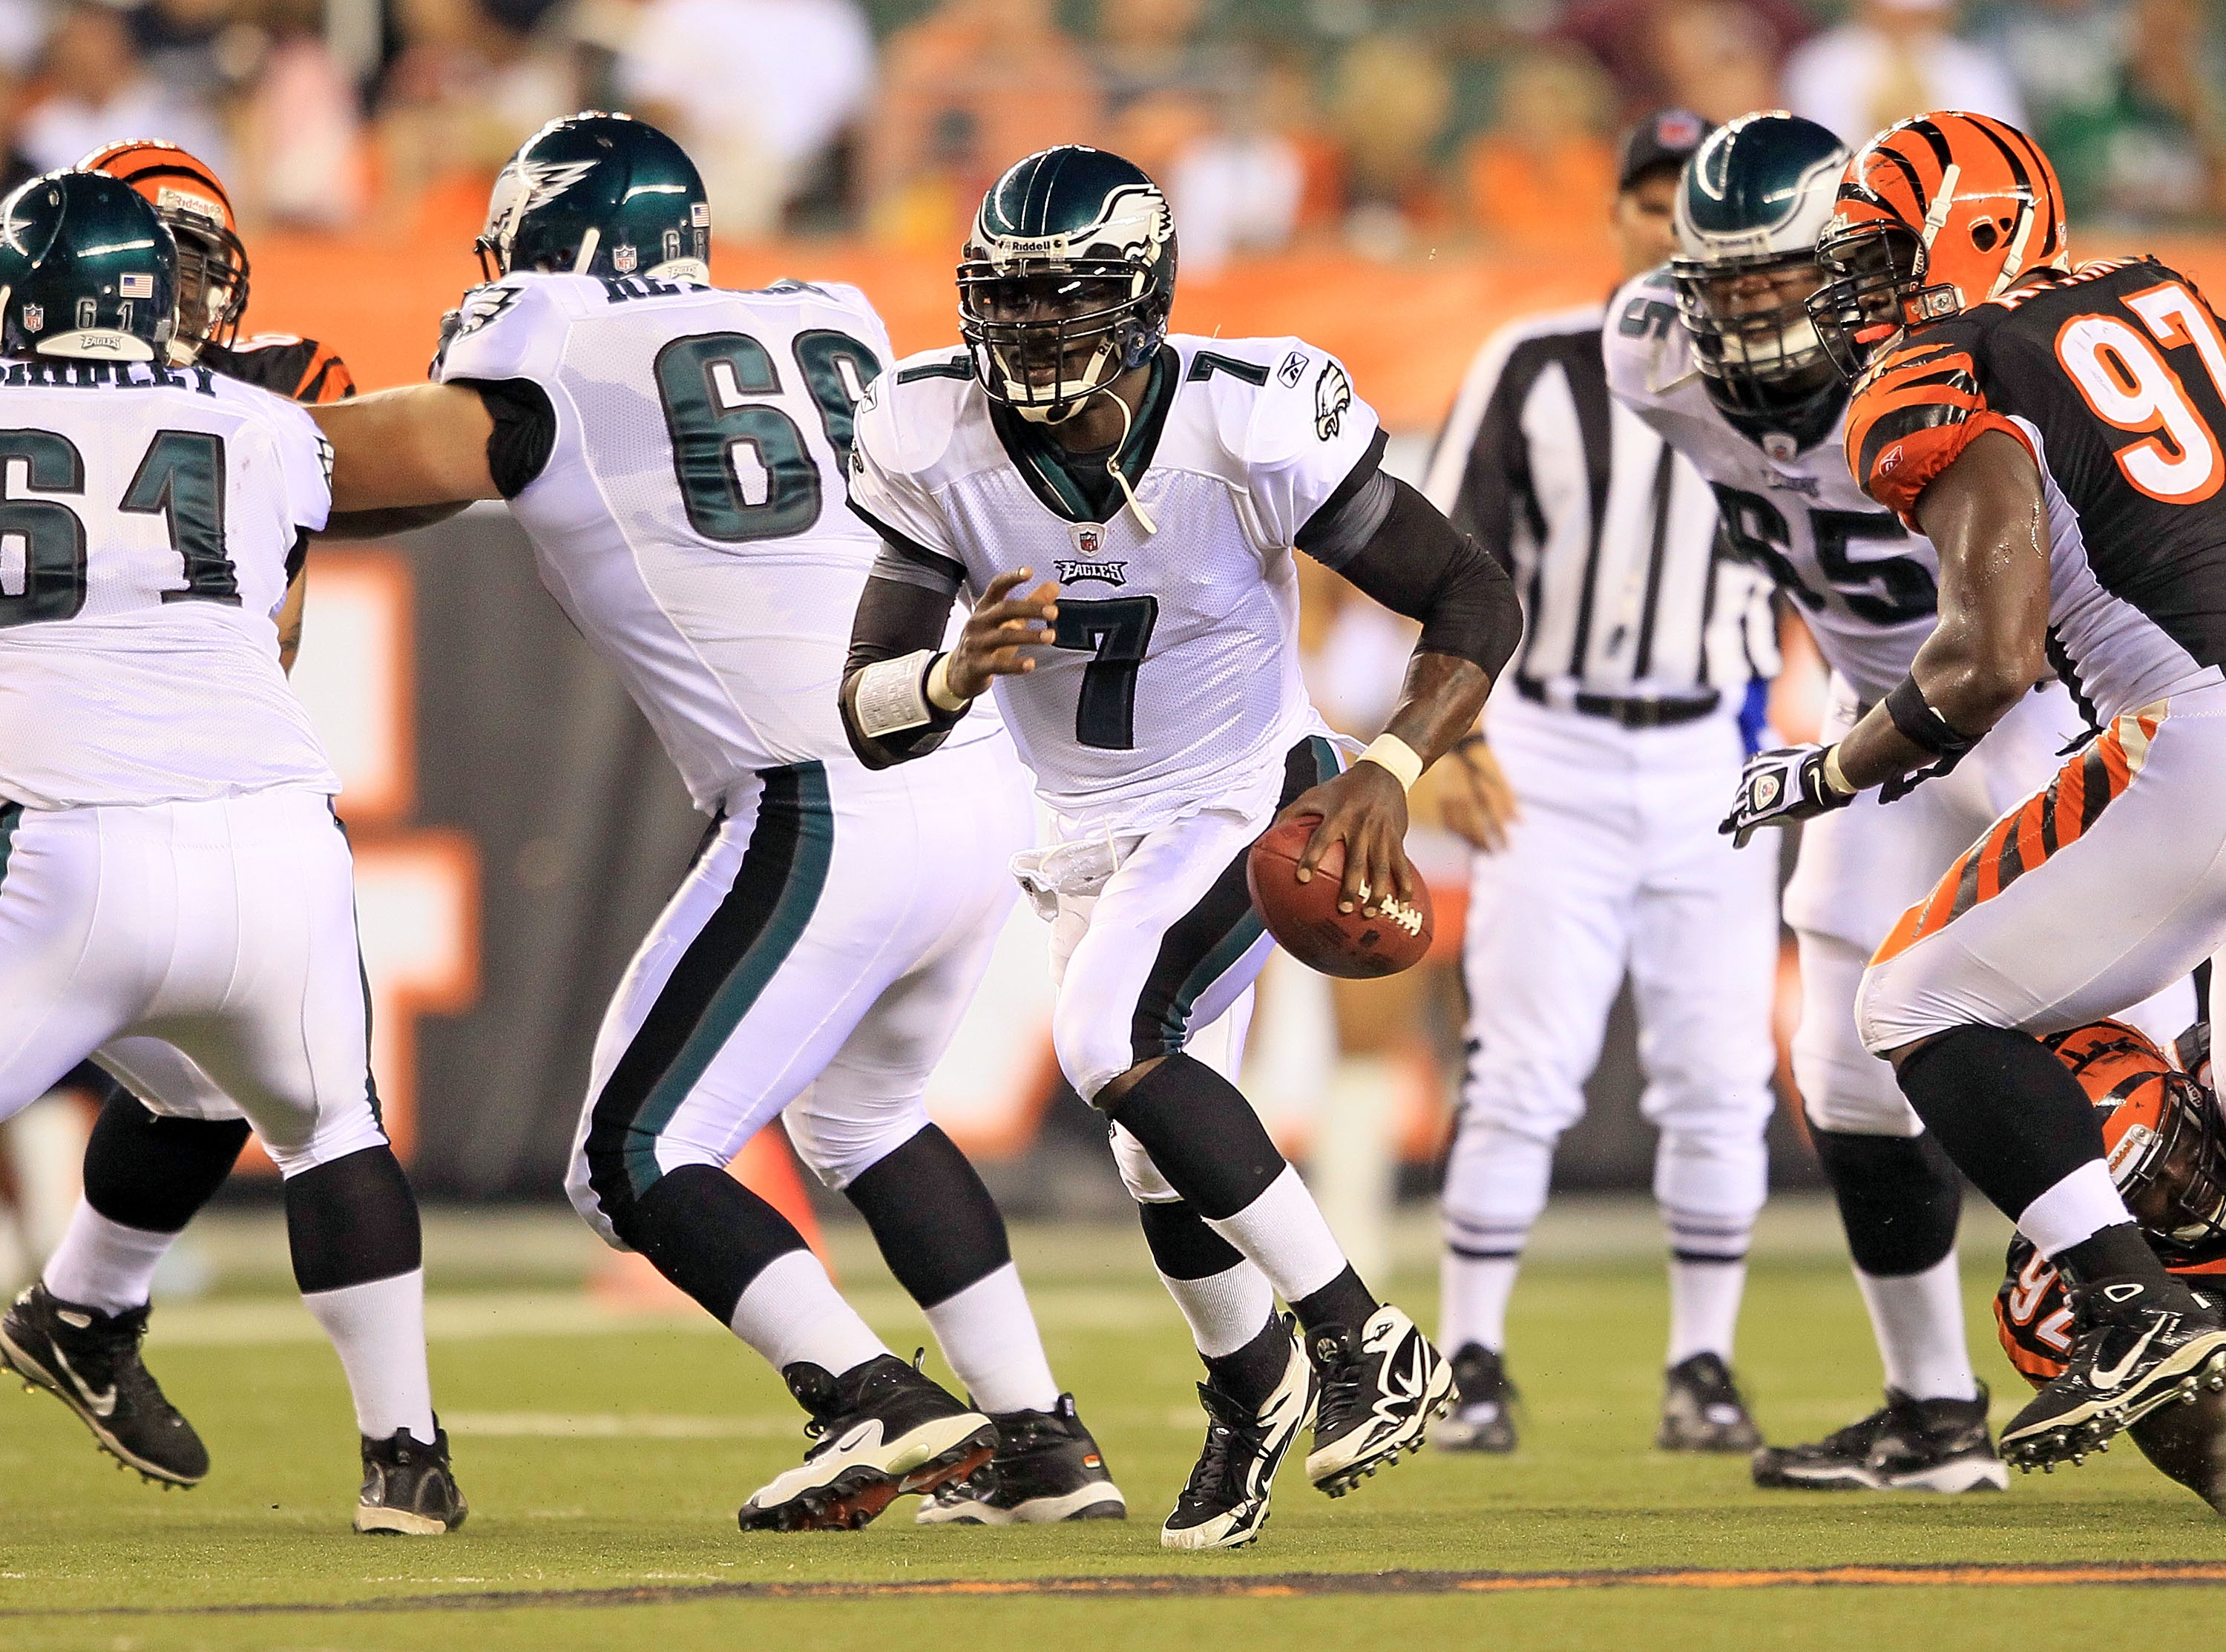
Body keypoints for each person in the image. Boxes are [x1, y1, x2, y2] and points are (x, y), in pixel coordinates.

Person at [300, 113, 1122, 1533]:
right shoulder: (827, 316)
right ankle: (1044, 1443)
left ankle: (868, 1392)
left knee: (633, 1154)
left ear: (541, 244)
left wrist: (215, 423)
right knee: (863, 1114)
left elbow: (367, 467)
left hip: (823, 788)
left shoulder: (546, 343)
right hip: (970, 769)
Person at [834, 143, 1522, 1548]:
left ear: (1141, 298)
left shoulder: (1249, 416)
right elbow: (867, 708)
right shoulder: (928, 433)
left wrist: (1392, 764)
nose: (1029, 337)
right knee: (1159, 1152)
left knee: (1104, 1031)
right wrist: (956, 676)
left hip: (1252, 791)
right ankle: (1251, 1381)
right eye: (1008, 305)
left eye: (1064, 303)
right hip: (1083, 829)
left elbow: (1472, 593)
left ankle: (1356, 1336)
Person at [1604, 110, 2189, 1493]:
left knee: (2159, 1051)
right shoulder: (1650, 353)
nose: (1752, 312)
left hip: (2038, 698)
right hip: (1879, 708)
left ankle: (2152, 1301)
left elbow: (2016, 610)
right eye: (1725, 283)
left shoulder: (1950, 360)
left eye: (1785, 275)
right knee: (1846, 1068)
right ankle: (1932, 1412)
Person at [0, 168, 462, 1534]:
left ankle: (82, 1310)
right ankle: (407, 1459)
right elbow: (353, 528)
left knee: (227, 1102)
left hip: (68, 854)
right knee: (326, 1128)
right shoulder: (262, 424)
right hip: (274, 837)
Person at [1425, 109, 1781, 1457]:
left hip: (1715, 748)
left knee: (1718, 1074)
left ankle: (1704, 1363)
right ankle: (1471, 1357)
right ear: (1615, 216)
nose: (1664, 224)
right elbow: (1454, 561)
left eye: (1683, 202)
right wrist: (1451, 738)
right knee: (1521, 1068)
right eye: (1646, 200)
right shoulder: (1533, 364)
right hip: (1554, 749)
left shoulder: (1797, 371)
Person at [1994, 1017, 2226, 1510]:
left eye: (2178, 1144)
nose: (2184, 1179)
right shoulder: (2056, 1277)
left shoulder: (2211, 1061)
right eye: (2149, 1190)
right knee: (2166, 1363)